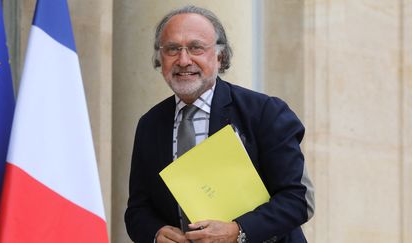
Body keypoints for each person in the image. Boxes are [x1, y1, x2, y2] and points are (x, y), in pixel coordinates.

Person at [125, 5, 315, 243]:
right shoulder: (149, 124)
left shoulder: (265, 112)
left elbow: (298, 199)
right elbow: (137, 211)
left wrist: (239, 231)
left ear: (220, 55)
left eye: (196, 48)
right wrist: (155, 233)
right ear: (159, 58)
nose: (183, 60)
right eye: (172, 49)